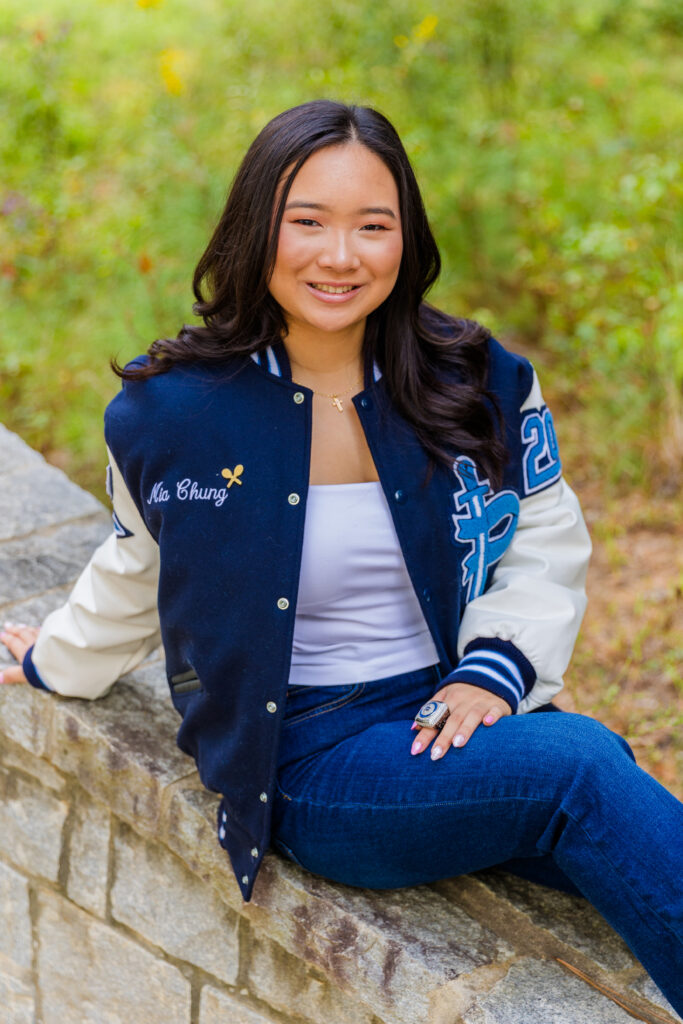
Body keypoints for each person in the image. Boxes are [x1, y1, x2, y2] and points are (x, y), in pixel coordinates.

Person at [1, 100, 681, 1013]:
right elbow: (140, 562)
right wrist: (53, 661)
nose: (340, 255)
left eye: (373, 225)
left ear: (406, 237)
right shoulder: (172, 417)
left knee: (596, 774)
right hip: (319, 760)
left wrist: (495, 668)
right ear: (256, 229)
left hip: (458, 710)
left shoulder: (476, 380)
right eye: (307, 222)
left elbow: (543, 536)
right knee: (580, 766)